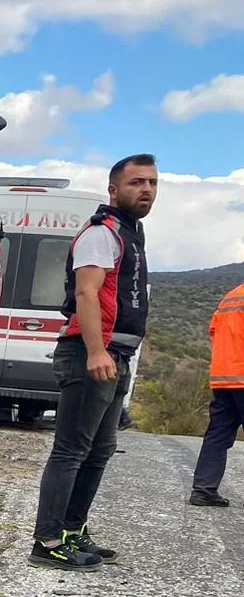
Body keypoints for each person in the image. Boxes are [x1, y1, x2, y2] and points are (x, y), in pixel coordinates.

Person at [28, 154, 157, 570]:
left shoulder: (129, 234)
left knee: (100, 450)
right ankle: (47, 542)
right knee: (70, 450)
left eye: (152, 183)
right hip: (90, 353)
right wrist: (97, 350)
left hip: (115, 354)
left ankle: (72, 530)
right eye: (137, 182)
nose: (147, 190)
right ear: (113, 190)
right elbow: (86, 294)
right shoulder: (102, 233)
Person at [188, 277, 244, 507]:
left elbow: (214, 332)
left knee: (217, 435)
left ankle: (203, 490)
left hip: (224, 378)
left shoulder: (232, 296)